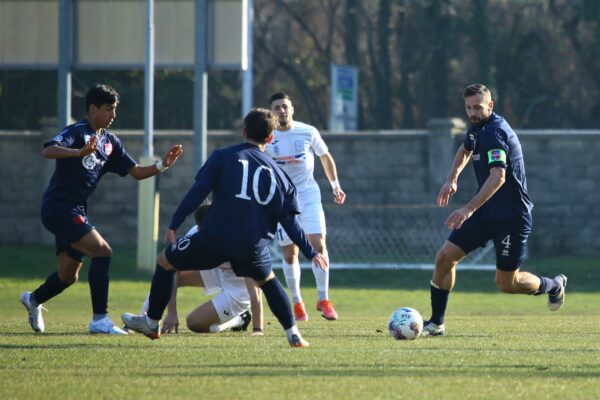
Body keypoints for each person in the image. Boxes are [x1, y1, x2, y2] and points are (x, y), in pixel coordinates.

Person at [122, 108, 328, 347]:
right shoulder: (281, 177)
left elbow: (198, 192)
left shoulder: (222, 156)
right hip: (252, 245)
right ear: (271, 139)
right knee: (269, 281)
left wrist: (174, 223)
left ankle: (151, 321)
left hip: (216, 237)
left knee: (165, 262)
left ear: (243, 132)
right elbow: (291, 223)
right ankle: (293, 332)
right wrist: (311, 252)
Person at [20, 84, 183, 335]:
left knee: (67, 276)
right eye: (108, 109)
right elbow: (48, 150)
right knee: (102, 251)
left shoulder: (110, 142)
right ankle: (99, 320)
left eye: (115, 110)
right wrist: (78, 152)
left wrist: (163, 165)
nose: (113, 115)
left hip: (76, 210)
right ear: (93, 109)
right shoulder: (77, 131)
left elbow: (137, 172)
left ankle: (33, 299)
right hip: (58, 207)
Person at [422, 84, 567, 336]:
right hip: (486, 212)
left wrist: (467, 209)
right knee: (444, 257)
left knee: (507, 283)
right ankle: (436, 324)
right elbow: (465, 148)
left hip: (512, 217)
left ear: (490, 105)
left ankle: (553, 285)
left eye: (478, 107)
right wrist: (452, 177)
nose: (472, 112)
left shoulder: (494, 133)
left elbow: (498, 177)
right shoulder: (477, 127)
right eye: (468, 108)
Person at [264, 92, 346, 322]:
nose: (281, 111)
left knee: (319, 244)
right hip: (282, 201)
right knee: (290, 253)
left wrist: (335, 186)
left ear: (292, 109)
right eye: (277, 107)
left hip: (308, 196)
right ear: (272, 112)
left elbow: (325, 156)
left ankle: (323, 299)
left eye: (285, 106)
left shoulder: (308, 131)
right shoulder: (267, 137)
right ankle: (297, 303)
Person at [140, 203, 264, 335]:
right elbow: (172, 270)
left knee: (194, 322)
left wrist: (258, 329)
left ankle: (239, 319)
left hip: (239, 289)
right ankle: (145, 319)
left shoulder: (238, 241)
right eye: (200, 230)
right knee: (165, 275)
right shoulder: (196, 232)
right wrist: (172, 313)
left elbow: (254, 289)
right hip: (218, 272)